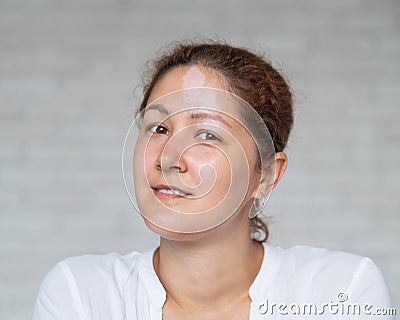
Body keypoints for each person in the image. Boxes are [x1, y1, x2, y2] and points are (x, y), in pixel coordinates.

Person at [32, 40, 394, 320]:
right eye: (159, 128)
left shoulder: (340, 291)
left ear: (265, 175)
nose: (169, 158)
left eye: (206, 134)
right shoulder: (82, 293)